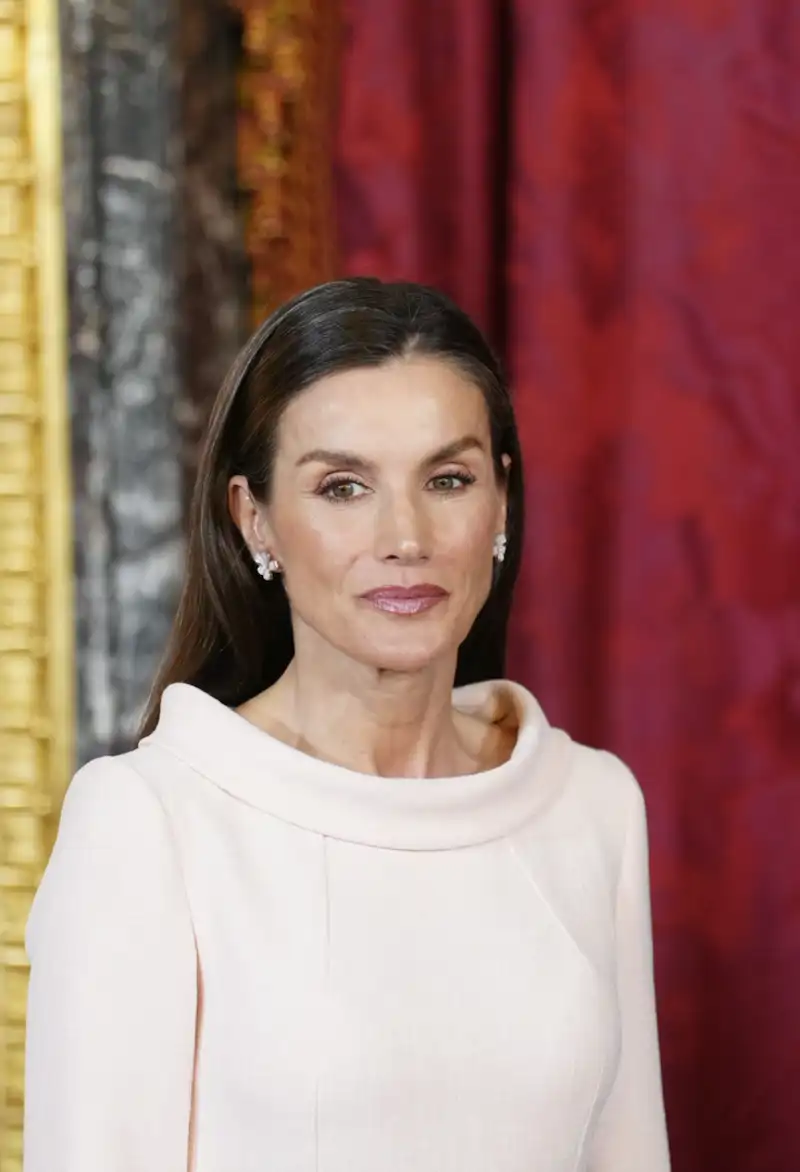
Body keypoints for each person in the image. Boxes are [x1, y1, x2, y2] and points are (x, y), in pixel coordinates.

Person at [23, 278, 671, 1172]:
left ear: (502, 503)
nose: (406, 535)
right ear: (255, 518)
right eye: (342, 487)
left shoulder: (589, 805)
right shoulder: (149, 822)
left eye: (448, 479)